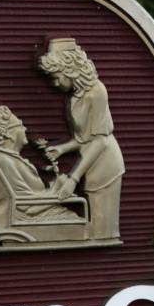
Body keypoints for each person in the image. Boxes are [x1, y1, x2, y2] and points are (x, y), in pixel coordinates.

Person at [37, 38, 124, 241]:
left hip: (106, 166)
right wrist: (62, 149)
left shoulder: (97, 92)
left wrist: (72, 179)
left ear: (70, 69)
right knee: (95, 230)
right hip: (90, 164)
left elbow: (101, 140)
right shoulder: (75, 96)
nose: (55, 83)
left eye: (56, 77)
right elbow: (84, 138)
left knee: (104, 231)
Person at [0, 105, 83, 232]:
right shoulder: (4, 161)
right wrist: (57, 190)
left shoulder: (8, 158)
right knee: (78, 223)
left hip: (34, 215)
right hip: (26, 221)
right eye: (19, 125)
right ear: (8, 133)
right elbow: (27, 207)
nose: (24, 128)